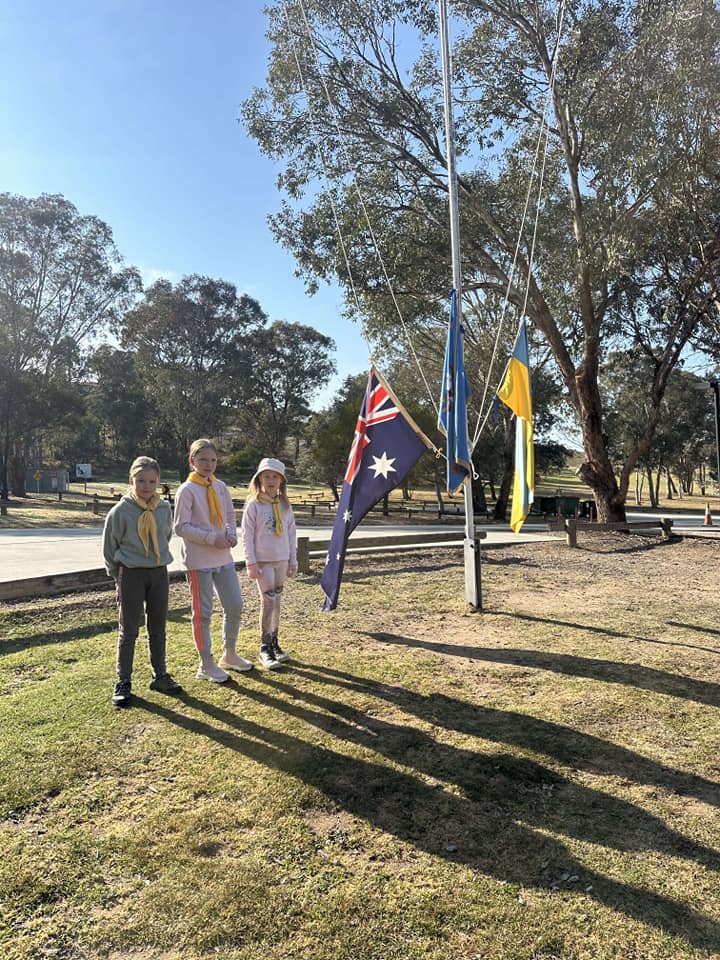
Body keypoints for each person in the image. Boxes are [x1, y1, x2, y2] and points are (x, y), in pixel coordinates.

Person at [103, 456, 182, 708]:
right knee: (129, 629)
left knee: (158, 627)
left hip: (158, 572)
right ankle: (123, 681)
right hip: (131, 573)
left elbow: (165, 535)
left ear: (158, 483)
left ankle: (159, 675)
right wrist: (118, 577)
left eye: (151, 481)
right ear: (131, 480)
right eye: (140, 481)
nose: (146, 486)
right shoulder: (121, 511)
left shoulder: (163, 508)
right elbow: (109, 546)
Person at [173, 438, 251, 682]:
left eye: (213, 460)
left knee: (234, 604)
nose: (208, 464)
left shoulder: (221, 486)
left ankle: (229, 653)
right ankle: (205, 664)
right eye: (203, 459)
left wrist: (230, 534)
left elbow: (229, 515)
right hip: (199, 562)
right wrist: (210, 538)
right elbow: (180, 527)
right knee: (203, 613)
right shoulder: (187, 490)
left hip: (223, 557)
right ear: (192, 461)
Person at [241, 457, 297, 669]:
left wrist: (293, 560)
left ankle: (275, 643)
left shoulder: (284, 505)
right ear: (259, 479)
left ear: (281, 481)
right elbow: (246, 536)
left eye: (275, 476)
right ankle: (264, 647)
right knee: (268, 602)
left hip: (281, 559)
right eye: (267, 476)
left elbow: (291, 534)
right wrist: (251, 562)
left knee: (278, 602)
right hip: (263, 562)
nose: (271, 480)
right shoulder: (254, 505)